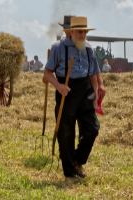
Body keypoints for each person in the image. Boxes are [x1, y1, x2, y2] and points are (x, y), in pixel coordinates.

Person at [44, 16, 102, 181]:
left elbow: (93, 75)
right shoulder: (59, 48)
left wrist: (95, 95)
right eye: (79, 32)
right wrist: (58, 86)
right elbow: (47, 72)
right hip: (66, 91)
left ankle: (78, 161)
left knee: (92, 129)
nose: (82, 35)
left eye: (84, 32)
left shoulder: (89, 49)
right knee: (66, 133)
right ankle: (69, 172)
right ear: (71, 32)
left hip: (85, 91)